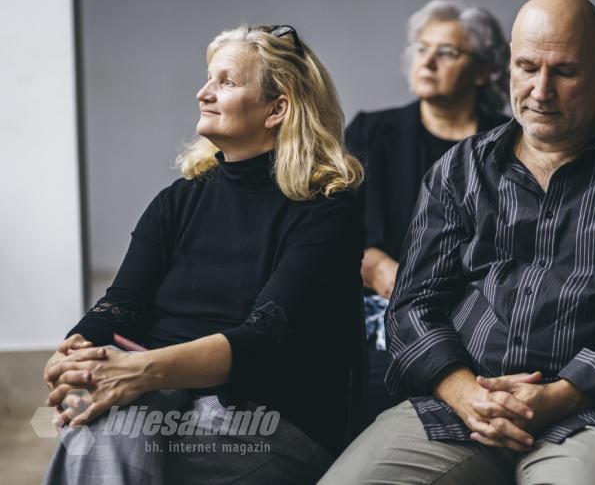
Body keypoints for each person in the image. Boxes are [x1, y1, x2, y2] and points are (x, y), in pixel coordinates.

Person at [320, 0, 595, 485]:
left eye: (565, 72)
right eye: (527, 67)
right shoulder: (461, 169)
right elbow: (412, 305)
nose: (541, 90)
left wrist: (566, 393)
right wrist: (465, 392)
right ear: (509, 64)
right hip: (461, 410)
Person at [42, 24, 364, 484]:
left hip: (267, 417)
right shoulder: (177, 201)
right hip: (158, 394)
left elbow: (263, 339)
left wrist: (139, 372)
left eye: (226, 82)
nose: (203, 93)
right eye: (208, 79)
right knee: (103, 427)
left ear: (278, 109)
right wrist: (77, 353)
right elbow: (121, 304)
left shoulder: (326, 211)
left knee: (99, 439)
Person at [345, 0, 510, 419]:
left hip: (482, 317)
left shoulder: (510, 142)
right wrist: (379, 266)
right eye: (422, 48)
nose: (428, 61)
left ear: (484, 69)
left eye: (447, 52)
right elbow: (328, 232)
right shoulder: (372, 132)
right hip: (381, 318)